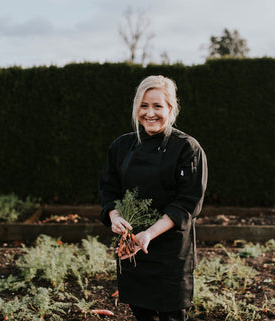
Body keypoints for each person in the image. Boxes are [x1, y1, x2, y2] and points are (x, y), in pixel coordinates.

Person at [99, 75, 208, 321]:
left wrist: (149, 234)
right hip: (132, 247)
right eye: (144, 105)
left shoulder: (187, 149)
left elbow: (187, 203)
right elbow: (109, 189)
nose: (150, 113)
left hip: (170, 250)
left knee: (172, 314)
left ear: (171, 108)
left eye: (157, 106)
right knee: (141, 311)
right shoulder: (122, 146)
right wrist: (115, 216)